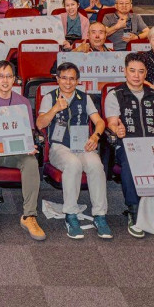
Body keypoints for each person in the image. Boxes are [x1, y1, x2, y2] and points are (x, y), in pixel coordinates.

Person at [0, 60, 46, 241]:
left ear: (15, 80)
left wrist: (29, 145)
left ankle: (29, 216)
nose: (5, 80)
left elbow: (28, 131)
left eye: (9, 76)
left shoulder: (23, 102)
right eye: (1, 76)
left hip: (14, 152)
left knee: (31, 162)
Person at [36, 62, 111, 240]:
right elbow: (40, 124)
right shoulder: (49, 97)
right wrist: (55, 108)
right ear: (57, 79)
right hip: (59, 147)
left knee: (96, 165)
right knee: (73, 164)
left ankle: (100, 215)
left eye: (72, 79)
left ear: (77, 81)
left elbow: (100, 122)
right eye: (63, 78)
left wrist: (95, 137)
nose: (67, 83)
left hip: (82, 145)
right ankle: (70, 215)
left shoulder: (85, 98)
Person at [105, 53, 154, 237]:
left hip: (152, 144)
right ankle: (133, 208)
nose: (136, 75)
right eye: (132, 71)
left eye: (141, 72)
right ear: (125, 72)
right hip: (128, 145)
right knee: (130, 159)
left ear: (146, 74)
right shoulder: (115, 95)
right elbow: (112, 122)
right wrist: (117, 129)